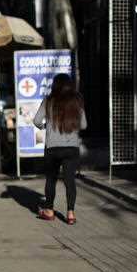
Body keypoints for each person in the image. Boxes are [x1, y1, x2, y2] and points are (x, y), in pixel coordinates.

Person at [33, 73, 87, 225]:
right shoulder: (77, 101)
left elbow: (37, 120)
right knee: (70, 180)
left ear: (54, 85)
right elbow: (83, 125)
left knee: (51, 179)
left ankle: (49, 211)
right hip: (71, 148)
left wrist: (45, 126)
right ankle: (70, 214)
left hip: (52, 147)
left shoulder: (48, 100)